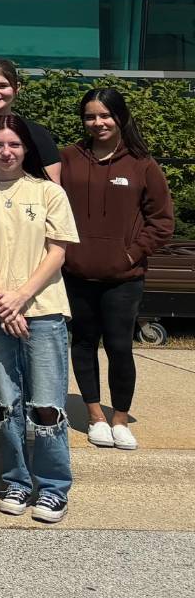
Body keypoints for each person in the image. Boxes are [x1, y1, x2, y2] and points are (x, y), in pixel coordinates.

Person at [0, 115, 80, 521]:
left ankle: (53, 486)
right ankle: (16, 480)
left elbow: (58, 251)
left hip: (43, 309)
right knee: (5, 402)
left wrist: (21, 298)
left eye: (13, 144)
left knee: (47, 403)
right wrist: (1, 299)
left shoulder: (49, 192)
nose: (6, 152)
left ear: (26, 148)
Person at [59, 87, 174, 452]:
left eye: (105, 115)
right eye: (90, 116)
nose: (98, 123)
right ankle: (95, 416)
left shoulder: (143, 164)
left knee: (121, 347)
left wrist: (129, 256)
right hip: (76, 274)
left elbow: (162, 222)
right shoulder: (68, 159)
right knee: (83, 343)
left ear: (120, 117)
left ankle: (120, 418)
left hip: (123, 278)